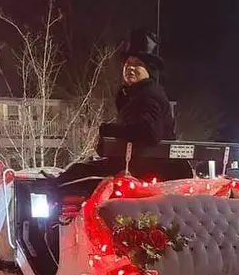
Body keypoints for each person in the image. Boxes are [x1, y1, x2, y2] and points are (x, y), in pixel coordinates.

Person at [58, 28, 191, 184]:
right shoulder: (133, 94)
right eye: (128, 63)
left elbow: (149, 132)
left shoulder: (149, 94)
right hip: (134, 163)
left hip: (147, 168)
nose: (130, 68)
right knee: (77, 170)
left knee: (78, 172)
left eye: (138, 64)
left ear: (148, 70)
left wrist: (108, 130)